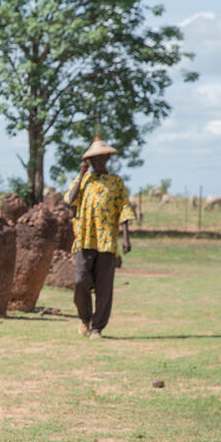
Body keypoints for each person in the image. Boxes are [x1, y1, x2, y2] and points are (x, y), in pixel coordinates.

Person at [64, 137, 135, 339]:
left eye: (100, 158)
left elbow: (123, 208)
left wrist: (126, 237)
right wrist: (81, 173)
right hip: (85, 238)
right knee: (80, 281)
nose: (96, 162)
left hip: (107, 240)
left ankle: (97, 327)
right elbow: (70, 199)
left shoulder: (115, 183)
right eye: (92, 159)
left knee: (104, 288)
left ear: (106, 158)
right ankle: (84, 318)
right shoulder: (84, 180)